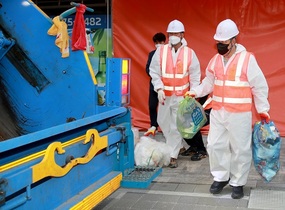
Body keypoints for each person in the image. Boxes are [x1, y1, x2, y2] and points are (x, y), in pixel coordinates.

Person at [188, 19, 270, 199]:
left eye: (224, 43)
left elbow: (259, 86)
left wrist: (263, 108)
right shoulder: (215, 59)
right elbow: (209, 82)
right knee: (215, 145)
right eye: (218, 42)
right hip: (218, 111)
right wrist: (195, 91)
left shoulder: (247, 59)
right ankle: (220, 177)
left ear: (233, 41)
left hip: (239, 113)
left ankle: (238, 182)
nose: (220, 46)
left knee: (240, 148)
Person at [149, 19, 201, 168]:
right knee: (163, 122)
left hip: (181, 97)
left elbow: (195, 75)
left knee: (175, 127)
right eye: (170, 33)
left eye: (176, 33)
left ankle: (172, 155)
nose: (173, 36)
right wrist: (159, 88)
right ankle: (177, 146)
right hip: (165, 96)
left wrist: (193, 93)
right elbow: (154, 72)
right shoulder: (161, 51)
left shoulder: (190, 53)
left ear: (182, 34)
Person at [144, 32, 166, 136]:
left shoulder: (168, 54)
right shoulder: (151, 54)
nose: (158, 44)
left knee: (166, 108)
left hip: (166, 86)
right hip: (154, 85)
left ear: (164, 42)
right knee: (152, 106)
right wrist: (154, 75)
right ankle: (154, 125)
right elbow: (148, 69)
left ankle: (167, 127)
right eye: (156, 42)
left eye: (160, 42)